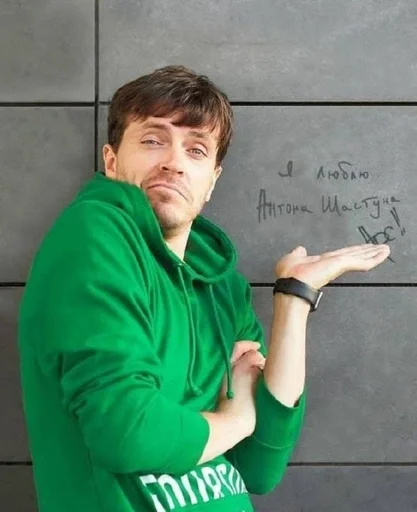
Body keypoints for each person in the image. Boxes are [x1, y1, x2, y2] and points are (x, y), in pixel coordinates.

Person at [18, 65, 390, 512]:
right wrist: (235, 421)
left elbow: (260, 466)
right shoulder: (91, 236)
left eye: (195, 150)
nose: (174, 162)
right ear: (111, 161)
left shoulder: (222, 285)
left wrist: (295, 296)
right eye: (152, 140)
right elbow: (128, 434)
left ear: (212, 180)